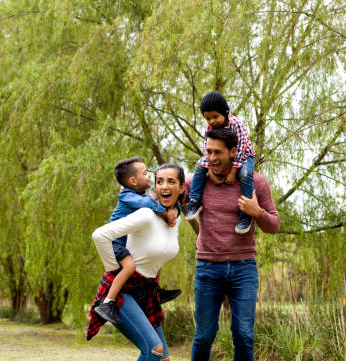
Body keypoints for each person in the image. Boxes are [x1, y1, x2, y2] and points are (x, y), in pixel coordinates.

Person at [185, 127, 280, 361]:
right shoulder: (196, 181)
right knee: (204, 336)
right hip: (208, 268)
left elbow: (274, 225)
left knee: (244, 335)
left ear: (233, 151)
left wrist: (257, 212)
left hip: (243, 268)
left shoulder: (255, 182)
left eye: (218, 152)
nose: (212, 158)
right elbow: (169, 198)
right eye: (208, 151)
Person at [87, 163, 186, 361]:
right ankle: (110, 301)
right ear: (155, 187)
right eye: (159, 182)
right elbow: (100, 235)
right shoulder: (146, 213)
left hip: (147, 291)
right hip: (125, 290)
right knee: (153, 350)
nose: (165, 186)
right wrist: (113, 268)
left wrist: (176, 210)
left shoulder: (174, 219)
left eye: (171, 182)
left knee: (163, 358)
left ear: (182, 187)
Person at [186, 91, 258, 234]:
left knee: (245, 175)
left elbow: (241, 148)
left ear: (225, 113)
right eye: (208, 118)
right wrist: (211, 170)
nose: (212, 121)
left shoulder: (236, 124)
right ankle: (195, 200)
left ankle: (246, 214)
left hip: (243, 156)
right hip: (218, 157)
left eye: (215, 117)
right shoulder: (210, 127)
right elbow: (206, 147)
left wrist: (233, 172)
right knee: (199, 166)